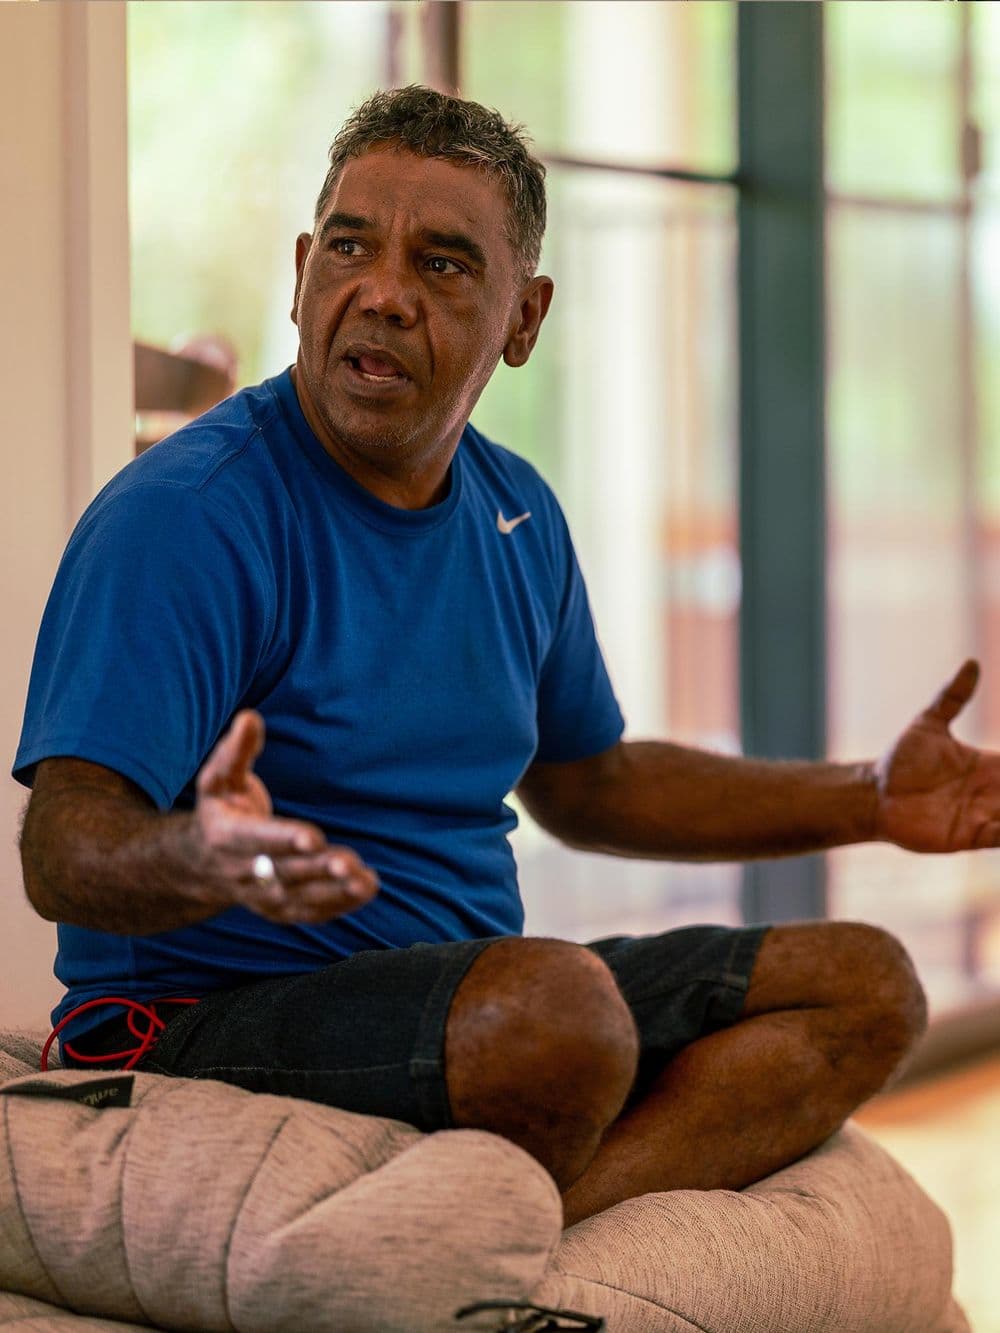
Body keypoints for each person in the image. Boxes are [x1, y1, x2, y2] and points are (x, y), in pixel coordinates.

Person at [12, 86, 999, 1227]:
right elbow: (62, 843)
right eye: (349, 247)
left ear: (522, 321)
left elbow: (593, 783)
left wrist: (870, 799)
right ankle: (510, 1223)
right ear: (299, 276)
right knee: (554, 1013)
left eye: (440, 264)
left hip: (466, 1000)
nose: (380, 292)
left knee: (863, 986)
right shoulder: (191, 513)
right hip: (209, 1011)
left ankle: (515, 1234)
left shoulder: (513, 510)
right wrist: (203, 856)